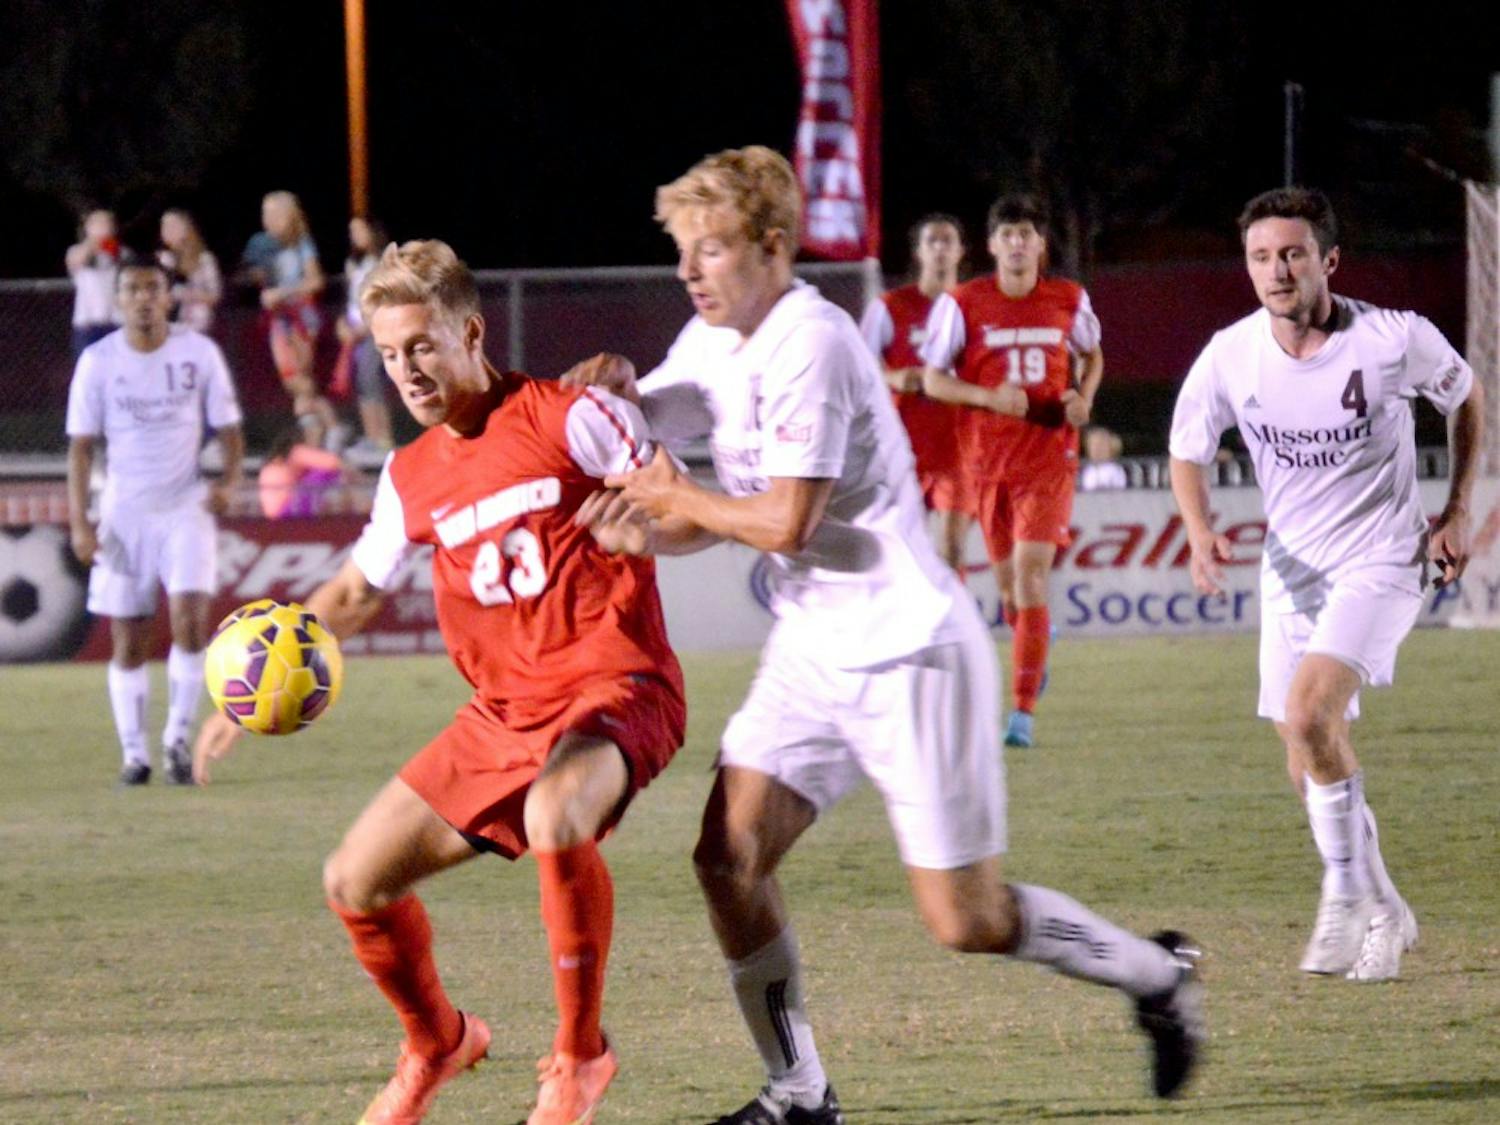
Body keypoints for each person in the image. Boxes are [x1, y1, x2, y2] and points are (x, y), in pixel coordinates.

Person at [568, 146, 1202, 1123]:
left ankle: (1156, 974)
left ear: (774, 247)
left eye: (712, 248)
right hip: (814, 646)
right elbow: (688, 495)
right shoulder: (712, 339)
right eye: (683, 250)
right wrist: (627, 457)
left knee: (967, 920)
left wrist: (667, 492)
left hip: (911, 651)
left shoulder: (811, 343)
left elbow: (783, 521)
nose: (690, 270)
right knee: (727, 857)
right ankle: (800, 1093)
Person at [193, 239, 686, 1125]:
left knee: (555, 816)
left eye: (420, 345)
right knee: (354, 879)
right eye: (388, 354)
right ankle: (440, 1042)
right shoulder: (408, 472)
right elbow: (352, 592)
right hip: (503, 715)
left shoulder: (567, 417)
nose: (405, 370)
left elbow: (679, 502)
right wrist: (246, 685)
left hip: (619, 685)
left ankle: (579, 1056)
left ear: (471, 332)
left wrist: (654, 531)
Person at [1169, 186, 1485, 983]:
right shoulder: (1232, 352)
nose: (1277, 270)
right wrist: (1199, 526)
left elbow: (1467, 396)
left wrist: (1456, 506)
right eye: (1261, 256)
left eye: (1293, 254)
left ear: (1329, 261)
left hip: (1382, 556)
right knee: (1303, 748)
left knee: (1311, 713)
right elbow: (1187, 444)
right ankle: (1384, 906)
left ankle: (1346, 895)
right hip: (1291, 568)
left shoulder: (1390, 340)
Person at [918, 193, 1104, 749]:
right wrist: (987, 397)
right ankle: (1034, 641)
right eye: (1008, 234)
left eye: (1028, 234)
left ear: (1041, 245)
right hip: (987, 463)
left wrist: (1082, 398)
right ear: (993, 245)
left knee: (1030, 579)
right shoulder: (964, 302)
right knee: (1009, 589)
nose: (1018, 243)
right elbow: (932, 380)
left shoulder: (1068, 299)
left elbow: (1092, 355)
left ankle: (1021, 712)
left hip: (1048, 457)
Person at [65, 253, 246, 786]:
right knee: (130, 638)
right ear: (118, 300)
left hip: (185, 507)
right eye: (133, 290)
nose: (143, 298)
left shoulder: (199, 353)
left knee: (191, 623)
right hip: (124, 515)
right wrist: (80, 522)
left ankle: (176, 742)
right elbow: (79, 449)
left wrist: (230, 482)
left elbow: (231, 430)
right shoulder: (99, 362)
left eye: (152, 288)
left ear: (169, 296)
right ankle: (134, 753)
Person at [858, 214, 972, 569]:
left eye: (947, 241)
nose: (939, 249)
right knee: (907, 548)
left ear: (960, 252)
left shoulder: (974, 307)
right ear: (919, 252)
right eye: (932, 241)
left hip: (958, 446)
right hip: (904, 446)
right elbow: (861, 364)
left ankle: (952, 623)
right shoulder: (891, 306)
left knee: (952, 549)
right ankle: (912, 623)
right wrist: (893, 379)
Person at [252, 190, 340, 448]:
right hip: (279, 319)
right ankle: (314, 438)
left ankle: (332, 429)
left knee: (301, 381)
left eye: (272, 213)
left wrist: (283, 292)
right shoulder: (267, 248)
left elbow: (316, 281)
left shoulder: (302, 244)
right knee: (294, 383)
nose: (267, 219)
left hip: (299, 318)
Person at [334, 216, 397, 462]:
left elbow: (383, 299)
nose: (354, 236)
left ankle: (382, 437)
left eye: (359, 231)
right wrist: (343, 323)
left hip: (373, 330)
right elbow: (351, 299)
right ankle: (371, 436)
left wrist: (366, 327)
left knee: (370, 378)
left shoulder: (381, 262)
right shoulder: (355, 263)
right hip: (355, 330)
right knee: (360, 380)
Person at [256, 427, 353, 519]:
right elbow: (333, 462)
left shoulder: (271, 463)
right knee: (325, 472)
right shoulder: (296, 451)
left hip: (272, 514)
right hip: (287, 510)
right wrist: (357, 475)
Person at [65, 208, 122, 358]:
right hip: (87, 323)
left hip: (115, 321)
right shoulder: (75, 250)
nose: (102, 226)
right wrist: (93, 241)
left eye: (105, 223)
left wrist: (109, 245)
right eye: (96, 223)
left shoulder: (120, 252)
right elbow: (77, 261)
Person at [158, 209, 223, 333]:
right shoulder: (163, 259)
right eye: (164, 226)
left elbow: (215, 296)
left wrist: (186, 295)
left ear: (186, 229)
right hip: (167, 323)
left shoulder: (204, 259)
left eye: (172, 226)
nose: (166, 230)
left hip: (196, 322)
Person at [1079, 425, 1129, 491]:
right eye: (1093, 445)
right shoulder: (1087, 470)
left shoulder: (1115, 470)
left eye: (1100, 445)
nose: (1096, 449)